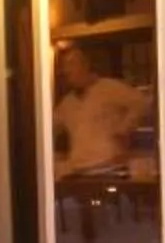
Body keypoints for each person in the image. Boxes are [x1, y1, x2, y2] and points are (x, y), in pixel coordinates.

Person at [51, 42, 147, 180]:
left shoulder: (110, 88)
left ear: (85, 65)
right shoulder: (67, 103)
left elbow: (140, 102)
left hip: (109, 170)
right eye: (64, 66)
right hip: (79, 172)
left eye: (71, 64)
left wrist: (125, 127)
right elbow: (50, 128)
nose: (66, 70)